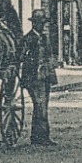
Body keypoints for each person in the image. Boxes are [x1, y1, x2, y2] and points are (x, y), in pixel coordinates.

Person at [20, 12, 57, 146]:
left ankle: (41, 136)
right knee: (39, 105)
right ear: (35, 23)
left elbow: (49, 55)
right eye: (40, 23)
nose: (42, 26)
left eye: (43, 23)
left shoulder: (45, 37)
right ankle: (39, 137)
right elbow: (22, 57)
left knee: (43, 106)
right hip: (34, 78)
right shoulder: (28, 38)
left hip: (45, 76)